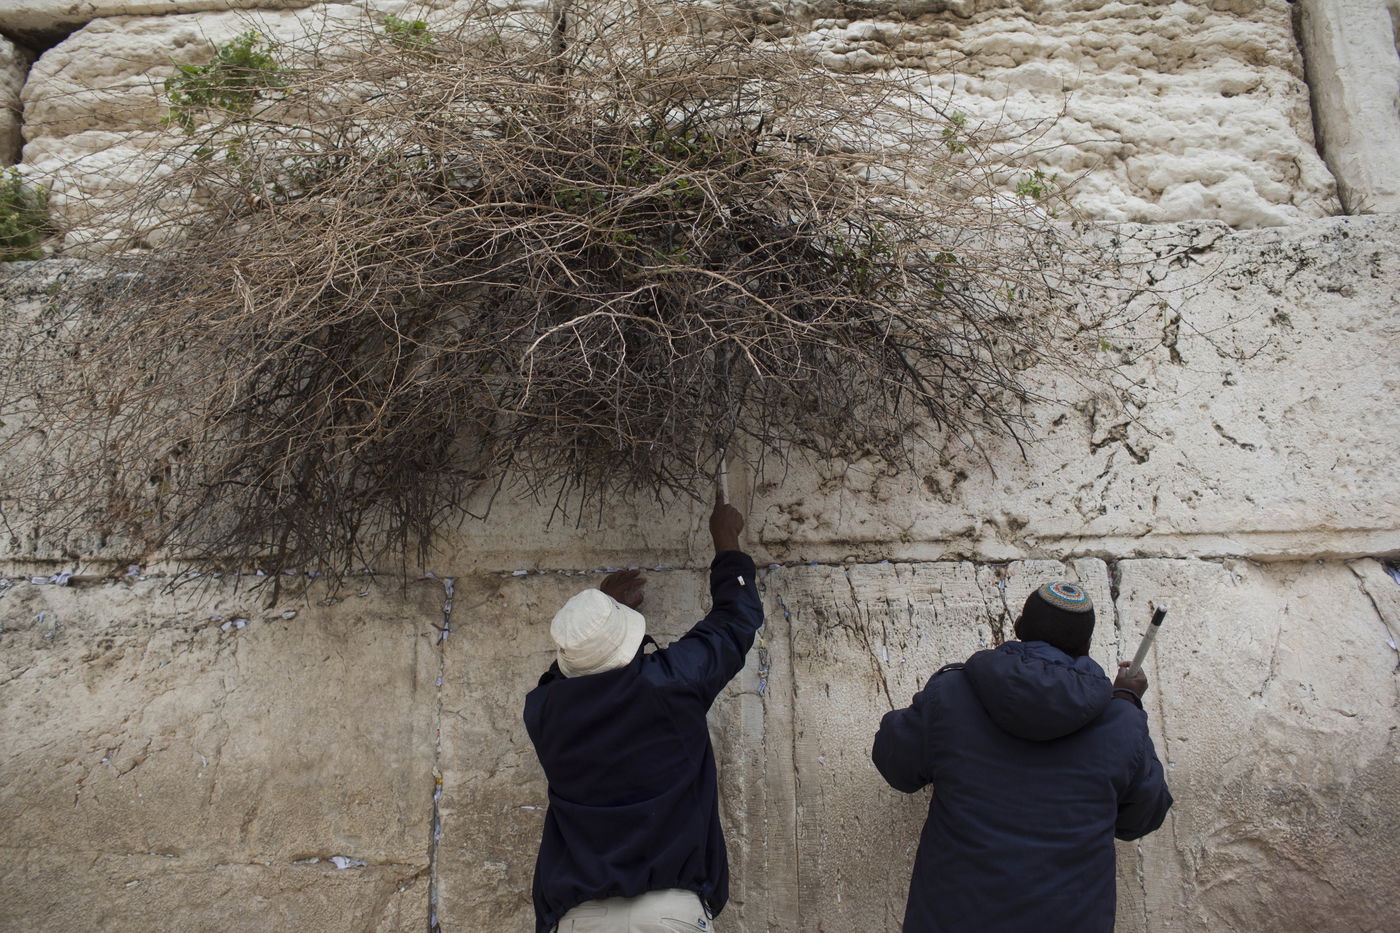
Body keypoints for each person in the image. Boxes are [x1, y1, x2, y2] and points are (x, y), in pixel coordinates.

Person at [523, 487, 763, 933]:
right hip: (668, 915)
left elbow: (559, 679)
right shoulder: (670, 684)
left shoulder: (543, 714)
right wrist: (726, 543)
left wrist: (600, 617)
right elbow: (734, 622)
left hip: (580, 920)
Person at [871, 581, 1173, 933]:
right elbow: (1139, 820)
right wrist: (1129, 703)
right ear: (1086, 647)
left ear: (1018, 628)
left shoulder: (953, 695)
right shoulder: (1121, 722)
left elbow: (896, 765)